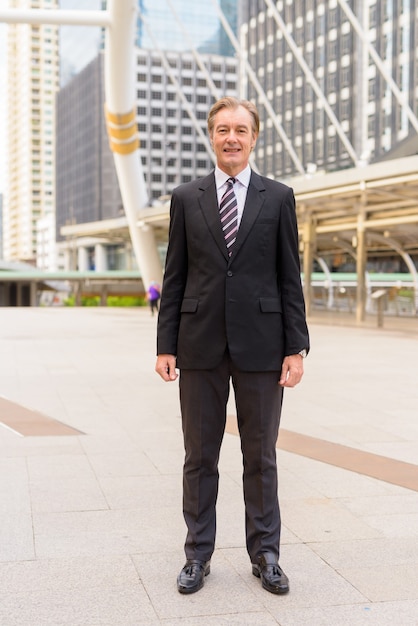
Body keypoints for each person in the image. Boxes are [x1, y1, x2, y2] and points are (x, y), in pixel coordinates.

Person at [155, 96, 309, 596]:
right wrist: (165, 344)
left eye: (240, 130)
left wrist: (296, 347)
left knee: (260, 455)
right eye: (223, 129)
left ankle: (265, 554)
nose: (231, 138)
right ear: (212, 136)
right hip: (199, 346)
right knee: (199, 456)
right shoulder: (185, 197)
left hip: (264, 349)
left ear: (254, 137)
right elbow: (174, 276)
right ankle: (197, 554)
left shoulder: (279, 197)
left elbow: (290, 276)